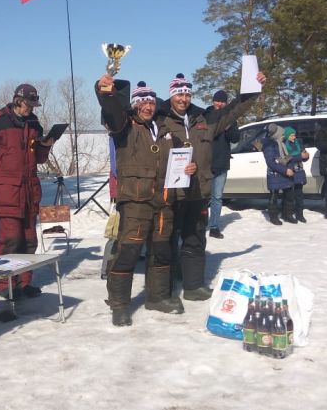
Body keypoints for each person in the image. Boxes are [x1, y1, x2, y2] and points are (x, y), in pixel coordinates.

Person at [157, 72, 264, 301]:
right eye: (179, 94)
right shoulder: (160, 119)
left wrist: (252, 90)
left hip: (198, 191)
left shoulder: (204, 119)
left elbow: (233, 111)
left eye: (187, 94)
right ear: (171, 95)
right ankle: (164, 290)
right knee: (166, 241)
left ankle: (193, 286)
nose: (183, 99)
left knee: (195, 239)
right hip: (170, 193)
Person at [96, 75, 193, 325]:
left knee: (161, 252)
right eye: (142, 102)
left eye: (150, 102)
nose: (147, 107)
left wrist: (188, 167)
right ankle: (119, 304)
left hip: (164, 201)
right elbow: (111, 113)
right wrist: (106, 92)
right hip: (135, 202)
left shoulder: (165, 129)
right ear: (134, 105)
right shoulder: (124, 126)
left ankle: (157, 297)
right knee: (128, 252)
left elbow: (181, 156)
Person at [0, 84, 55, 299]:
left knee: (29, 240)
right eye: (28, 105)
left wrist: (46, 145)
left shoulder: (34, 124)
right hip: (6, 193)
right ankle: (4, 285)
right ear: (18, 101)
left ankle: (24, 283)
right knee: (10, 239)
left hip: (29, 193)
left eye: (34, 105)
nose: (31, 109)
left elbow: (39, 158)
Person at [205, 90, 240, 239]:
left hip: (221, 163)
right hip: (205, 163)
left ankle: (214, 226)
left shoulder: (230, 118)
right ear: (213, 101)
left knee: (217, 197)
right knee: (201, 197)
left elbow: (235, 138)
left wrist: (229, 127)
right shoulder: (206, 115)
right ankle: (199, 224)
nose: (219, 104)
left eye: (222, 101)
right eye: (217, 101)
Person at [262, 124, 295, 225]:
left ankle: (287, 214)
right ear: (277, 135)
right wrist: (285, 170)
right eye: (282, 134)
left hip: (285, 172)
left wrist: (290, 167)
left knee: (289, 195)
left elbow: (289, 157)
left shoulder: (282, 144)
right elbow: (271, 163)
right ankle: (273, 217)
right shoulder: (269, 146)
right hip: (275, 174)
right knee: (274, 196)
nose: (284, 136)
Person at [283, 126, 309, 222]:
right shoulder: (284, 145)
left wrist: (306, 156)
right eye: (292, 135)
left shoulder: (298, 143)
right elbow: (286, 158)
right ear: (287, 136)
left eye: (294, 135)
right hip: (289, 172)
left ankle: (300, 214)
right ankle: (288, 214)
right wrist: (299, 156)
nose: (294, 137)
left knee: (299, 195)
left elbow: (303, 155)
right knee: (289, 195)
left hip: (299, 171)